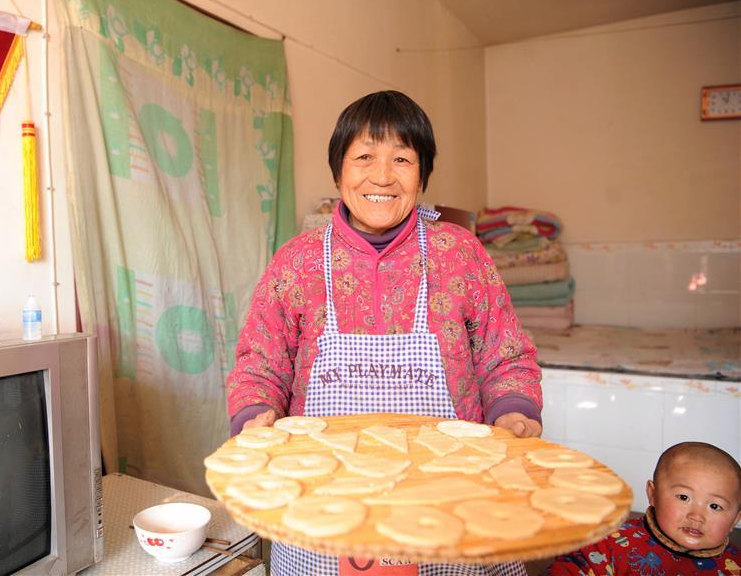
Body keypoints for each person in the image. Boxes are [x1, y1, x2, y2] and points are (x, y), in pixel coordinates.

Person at [225, 90, 542, 575]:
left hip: (447, 497)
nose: (382, 176)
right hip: (324, 503)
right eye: (364, 157)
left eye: (401, 158)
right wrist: (255, 413)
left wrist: (513, 411)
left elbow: (505, 356)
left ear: (423, 174)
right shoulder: (298, 260)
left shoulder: (460, 254)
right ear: (339, 171)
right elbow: (260, 361)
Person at [545, 441, 741, 575]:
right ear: (653, 494)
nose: (696, 516)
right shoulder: (608, 545)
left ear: (735, 519)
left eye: (715, 506)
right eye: (684, 497)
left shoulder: (735, 565)